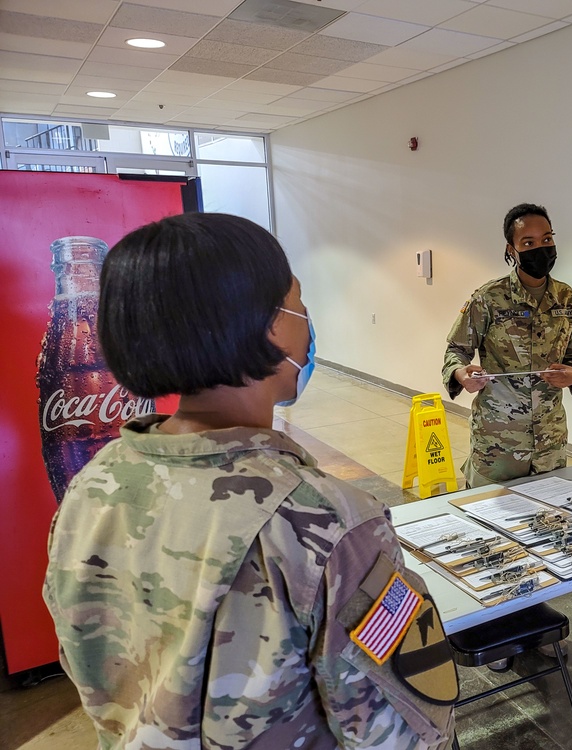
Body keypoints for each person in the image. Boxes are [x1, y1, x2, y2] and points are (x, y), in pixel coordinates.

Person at [43, 213, 457, 749]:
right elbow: (398, 733)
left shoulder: (90, 489)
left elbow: (87, 664)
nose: (307, 321)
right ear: (267, 324)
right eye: (299, 305)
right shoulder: (328, 521)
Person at [443, 202, 572, 488]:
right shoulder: (488, 298)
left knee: (548, 521)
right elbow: (456, 350)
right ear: (512, 249)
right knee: (488, 522)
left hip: (550, 441)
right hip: (498, 445)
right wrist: (461, 374)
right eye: (528, 242)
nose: (541, 248)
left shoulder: (567, 299)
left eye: (547, 239)